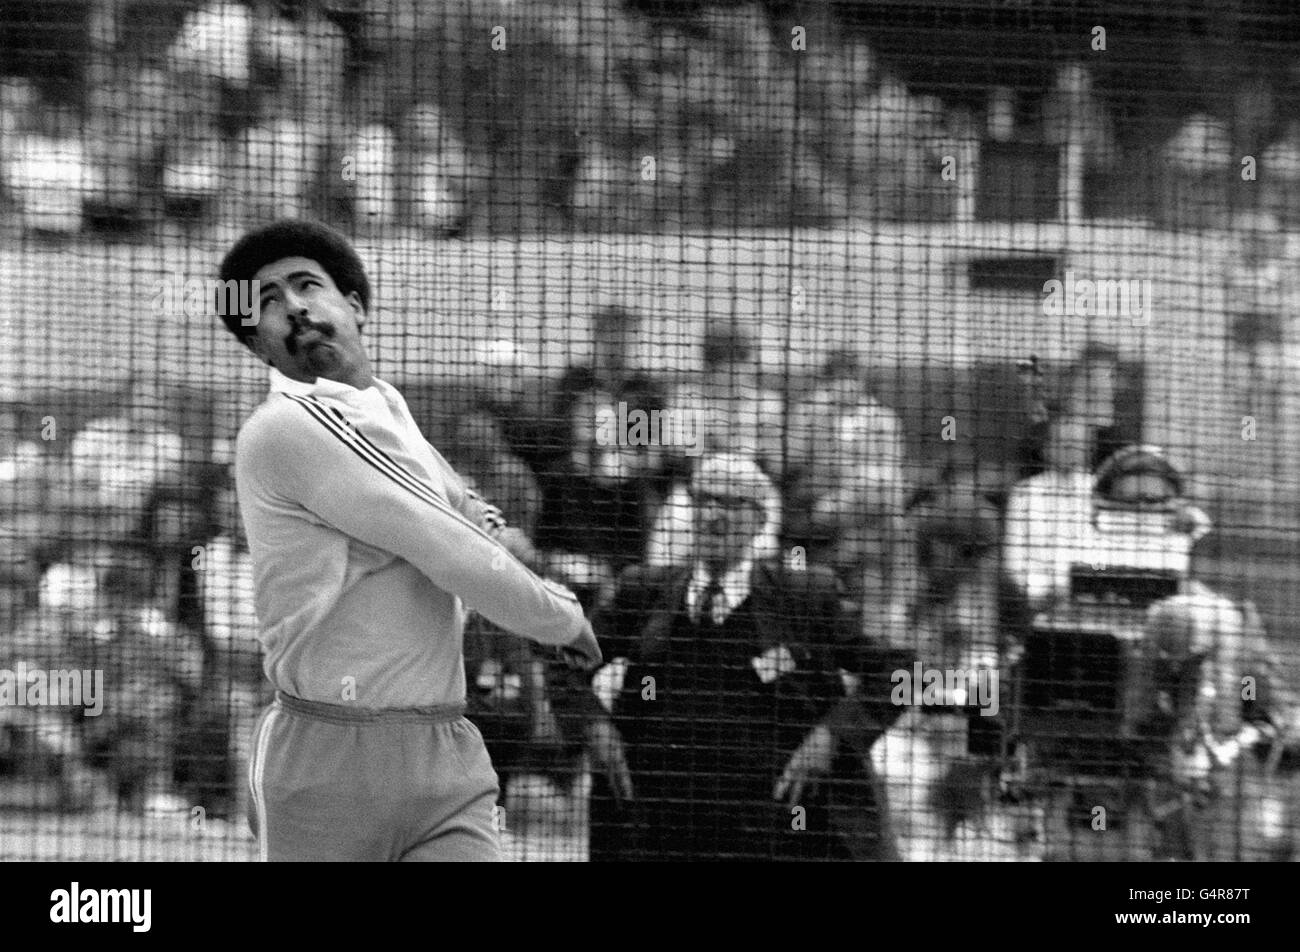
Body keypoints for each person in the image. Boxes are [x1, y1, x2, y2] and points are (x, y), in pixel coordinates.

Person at [216, 219, 601, 861]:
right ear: (260, 347)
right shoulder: (284, 428)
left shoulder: (388, 409)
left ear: (356, 307)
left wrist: (512, 542)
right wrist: (558, 617)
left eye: (307, 285)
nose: (294, 307)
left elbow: (461, 505)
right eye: (269, 303)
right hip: (326, 762)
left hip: (443, 748)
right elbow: (439, 539)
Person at [561, 453, 859, 861]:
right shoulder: (643, 591)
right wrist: (594, 725)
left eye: (731, 504)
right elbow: (563, 661)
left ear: (758, 522)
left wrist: (831, 735)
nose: (712, 515)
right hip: (657, 828)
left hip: (773, 829)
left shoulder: (806, 597)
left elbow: (900, 673)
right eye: (702, 500)